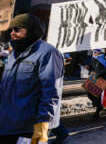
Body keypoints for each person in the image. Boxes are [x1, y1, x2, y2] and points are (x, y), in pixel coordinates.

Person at [0, 13, 64, 144]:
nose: (12, 33)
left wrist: (41, 130)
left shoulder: (48, 52)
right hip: (7, 124)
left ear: (31, 30)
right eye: (11, 30)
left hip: (28, 128)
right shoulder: (14, 53)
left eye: (17, 29)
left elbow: (51, 94)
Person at [87, 49, 106, 118]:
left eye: (95, 52)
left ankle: (98, 111)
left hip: (101, 78)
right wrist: (89, 69)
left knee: (97, 95)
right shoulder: (93, 58)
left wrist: (98, 74)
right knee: (89, 94)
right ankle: (98, 106)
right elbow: (92, 67)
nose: (93, 53)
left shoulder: (103, 59)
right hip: (94, 77)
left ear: (99, 52)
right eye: (93, 52)